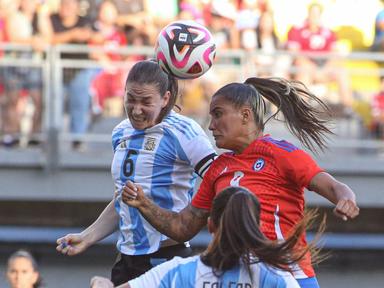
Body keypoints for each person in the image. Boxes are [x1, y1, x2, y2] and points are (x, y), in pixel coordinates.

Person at [121, 77, 360, 288]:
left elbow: (332, 186)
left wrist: (346, 199)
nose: (211, 125)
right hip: (238, 278)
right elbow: (184, 227)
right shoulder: (218, 168)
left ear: (245, 115)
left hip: (289, 274)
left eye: (217, 114)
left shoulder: (281, 154)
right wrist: (143, 204)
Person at [56, 60, 217, 286]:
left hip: (167, 256)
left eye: (146, 102)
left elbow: (219, 180)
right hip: (127, 259)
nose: (136, 109)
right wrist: (88, 236)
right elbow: (123, 198)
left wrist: (195, 221)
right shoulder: (120, 132)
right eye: (130, 99)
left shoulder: (184, 131)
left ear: (166, 98)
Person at [90, 186, 318, 288]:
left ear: (210, 225)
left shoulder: (177, 272)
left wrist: (100, 283)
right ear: (258, 226)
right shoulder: (277, 278)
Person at [286, 2, 352, 107]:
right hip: (305, 68)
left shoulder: (328, 32)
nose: (314, 17)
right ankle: (301, 112)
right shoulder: (297, 30)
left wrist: (325, 68)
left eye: (317, 14)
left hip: (323, 68)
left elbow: (335, 55)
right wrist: (312, 68)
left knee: (342, 71)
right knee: (304, 71)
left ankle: (348, 108)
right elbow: (295, 54)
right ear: (308, 13)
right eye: (312, 13)